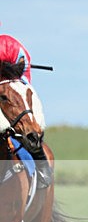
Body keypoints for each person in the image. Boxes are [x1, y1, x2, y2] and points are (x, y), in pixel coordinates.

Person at [0, 33, 53, 188]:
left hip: (15, 82)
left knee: (31, 124)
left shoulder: (12, 48)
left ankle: (41, 165)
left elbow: (22, 80)